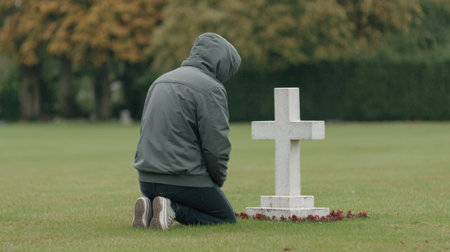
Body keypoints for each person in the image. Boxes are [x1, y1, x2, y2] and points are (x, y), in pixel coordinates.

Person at [132, 33, 241, 230]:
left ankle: (150, 207)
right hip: (182, 179)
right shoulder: (210, 88)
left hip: (146, 179)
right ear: (222, 63)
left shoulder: (160, 81)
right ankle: (171, 208)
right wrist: (217, 180)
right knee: (225, 218)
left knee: (172, 195)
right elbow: (216, 145)